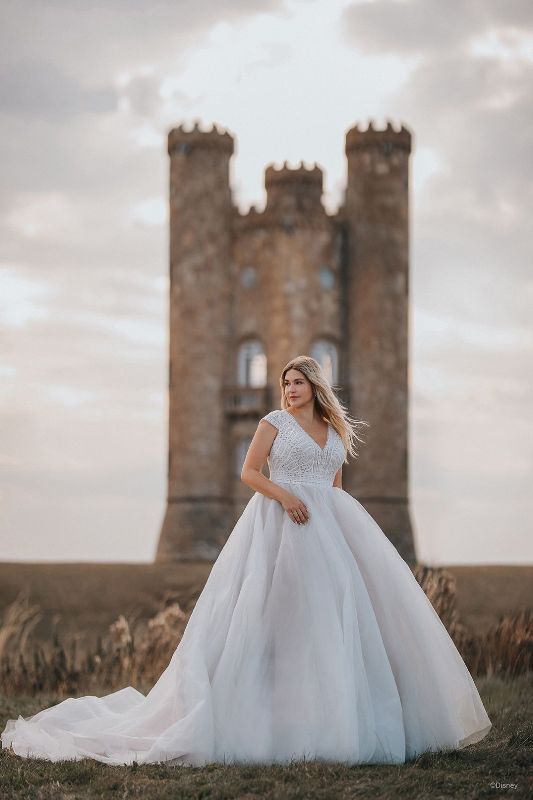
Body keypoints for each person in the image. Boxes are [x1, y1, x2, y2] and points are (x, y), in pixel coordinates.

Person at [1, 355, 492, 766]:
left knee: (336, 619)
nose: (291, 390)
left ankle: (339, 715)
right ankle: (266, 715)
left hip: (333, 527)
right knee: (278, 616)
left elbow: (335, 485)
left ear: (315, 385)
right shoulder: (273, 423)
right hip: (283, 526)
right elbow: (249, 472)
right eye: (286, 383)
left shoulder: (335, 428)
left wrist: (337, 524)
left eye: (298, 382)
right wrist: (285, 498)